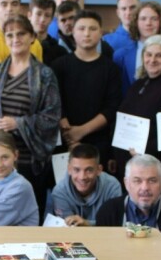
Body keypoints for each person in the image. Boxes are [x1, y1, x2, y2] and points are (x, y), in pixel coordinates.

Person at [0, 15, 61, 218]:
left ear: (32, 37)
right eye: (10, 35)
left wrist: (18, 123)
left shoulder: (44, 75)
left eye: (21, 34)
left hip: (29, 161)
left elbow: (52, 116)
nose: (15, 39)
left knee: (25, 218)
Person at [111, 35, 161, 190]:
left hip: (155, 162)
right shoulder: (138, 84)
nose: (152, 60)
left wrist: (144, 150)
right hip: (128, 160)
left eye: (159, 55)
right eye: (148, 54)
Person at [51, 10, 121, 162]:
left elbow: (111, 108)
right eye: (81, 28)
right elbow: (53, 101)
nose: (87, 34)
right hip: (64, 141)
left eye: (93, 29)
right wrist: (69, 135)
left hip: (98, 142)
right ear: (73, 32)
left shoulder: (111, 69)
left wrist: (81, 131)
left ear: (101, 33)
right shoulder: (58, 65)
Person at [114, 1, 161, 95]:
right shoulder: (120, 56)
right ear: (136, 22)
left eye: (154, 19)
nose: (148, 23)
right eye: (143, 19)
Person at [52, 143, 120, 226]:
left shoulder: (112, 186)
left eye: (89, 170)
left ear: (99, 170)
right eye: (77, 170)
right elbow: (67, 227)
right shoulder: (59, 192)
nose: (82, 177)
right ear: (69, 169)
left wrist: (87, 224)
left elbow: (114, 224)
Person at [27, 0, 66, 67]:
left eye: (47, 15)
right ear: (29, 15)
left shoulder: (60, 52)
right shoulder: (20, 46)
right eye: (38, 14)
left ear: (51, 19)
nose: (42, 19)